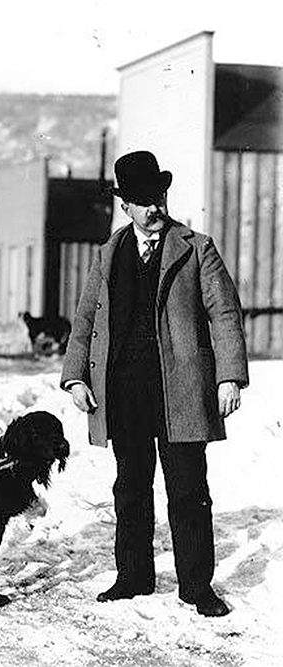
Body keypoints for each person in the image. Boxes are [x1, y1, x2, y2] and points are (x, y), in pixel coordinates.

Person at [60, 151, 248, 617]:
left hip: (180, 390)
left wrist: (229, 376)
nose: (153, 208)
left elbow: (224, 312)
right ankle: (133, 577)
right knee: (131, 487)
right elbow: (86, 318)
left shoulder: (196, 247)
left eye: (158, 196)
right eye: (142, 200)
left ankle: (196, 587)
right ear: (125, 205)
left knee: (187, 489)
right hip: (123, 391)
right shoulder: (107, 255)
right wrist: (74, 376)